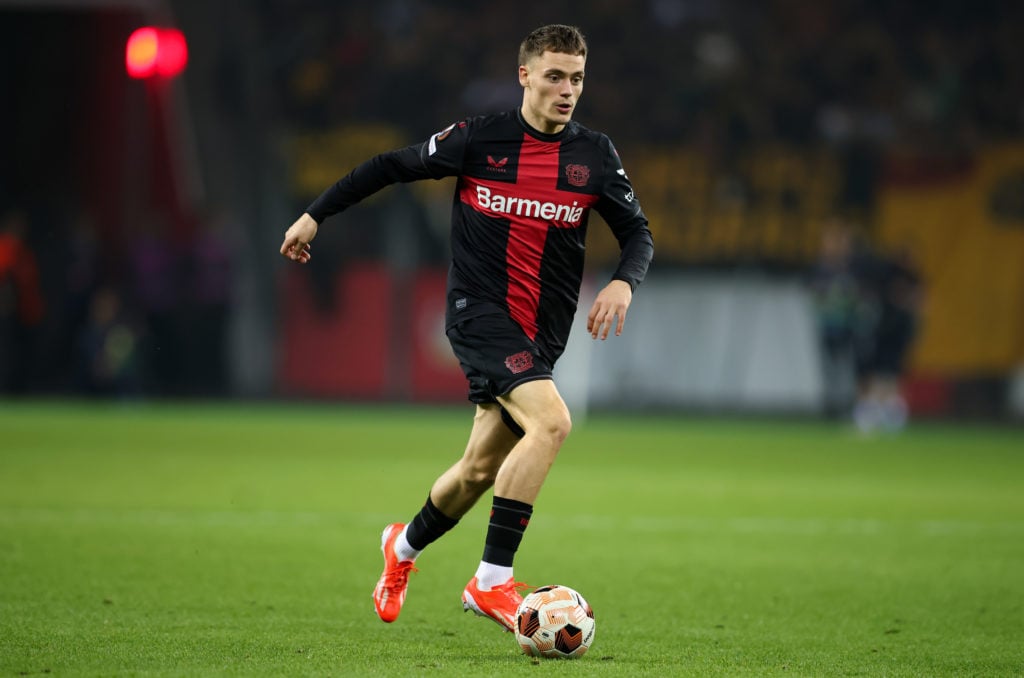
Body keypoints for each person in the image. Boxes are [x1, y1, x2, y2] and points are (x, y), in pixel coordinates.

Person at [280, 24, 653, 632]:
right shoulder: (480, 139)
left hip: (542, 332)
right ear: (525, 75)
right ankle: (491, 582)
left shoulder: (595, 155)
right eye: (555, 76)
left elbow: (638, 232)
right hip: (478, 313)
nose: (567, 90)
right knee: (554, 421)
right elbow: (389, 167)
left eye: (577, 79)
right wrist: (314, 215)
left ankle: (400, 548)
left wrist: (623, 281)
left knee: (478, 469)